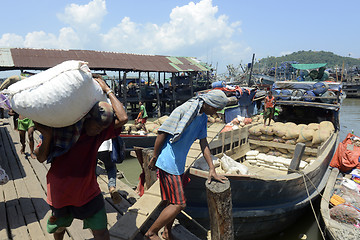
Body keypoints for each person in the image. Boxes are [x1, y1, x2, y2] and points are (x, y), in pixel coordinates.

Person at [34, 77, 128, 240]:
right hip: (61, 190)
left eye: (102, 128)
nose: (99, 131)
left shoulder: (97, 135)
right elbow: (41, 157)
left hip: (88, 190)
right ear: (87, 119)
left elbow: (123, 118)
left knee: (101, 230)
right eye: (97, 126)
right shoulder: (60, 131)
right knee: (59, 226)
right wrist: (47, 136)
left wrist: (107, 90)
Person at [144, 89, 228, 240]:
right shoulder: (183, 110)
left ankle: (166, 232)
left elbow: (204, 143)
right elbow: (162, 132)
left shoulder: (202, 118)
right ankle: (151, 232)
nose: (216, 112)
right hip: (168, 162)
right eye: (215, 108)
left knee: (171, 201)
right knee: (179, 204)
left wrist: (212, 169)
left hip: (179, 163)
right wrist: (154, 156)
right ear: (209, 104)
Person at [97, 139, 122, 204]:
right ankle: (112, 187)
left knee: (91, 171)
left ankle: (92, 190)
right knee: (111, 168)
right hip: (107, 147)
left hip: (94, 147)